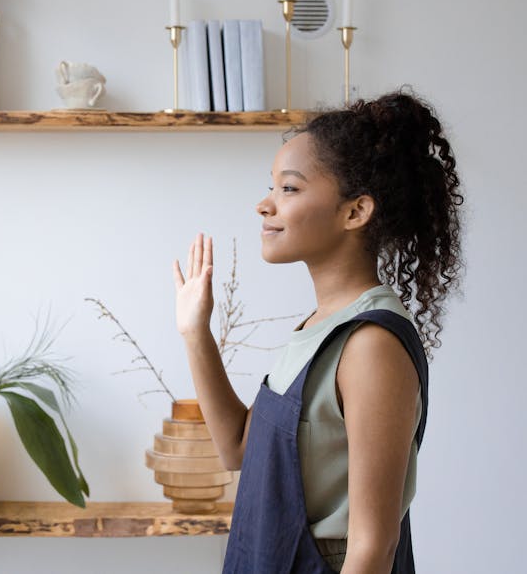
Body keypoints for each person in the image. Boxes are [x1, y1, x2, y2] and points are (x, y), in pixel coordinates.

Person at [172, 89, 463, 573]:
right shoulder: (318, 327)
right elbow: (237, 450)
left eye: (288, 188)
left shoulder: (371, 344)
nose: (265, 205)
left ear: (355, 212)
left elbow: (372, 548)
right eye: (272, 187)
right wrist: (194, 331)